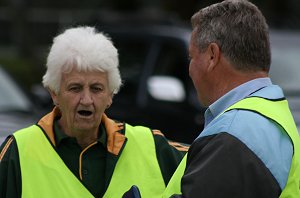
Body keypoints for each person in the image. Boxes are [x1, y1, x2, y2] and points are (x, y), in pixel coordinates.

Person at [0, 26, 188, 198]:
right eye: (75, 88)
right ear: (54, 94)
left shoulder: (152, 148)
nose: (87, 100)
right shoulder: (16, 154)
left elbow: (211, 164)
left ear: (110, 95)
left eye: (97, 89)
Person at [163, 0, 300, 197]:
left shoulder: (233, 133)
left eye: (191, 57)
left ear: (212, 55)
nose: (190, 68)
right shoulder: (271, 113)